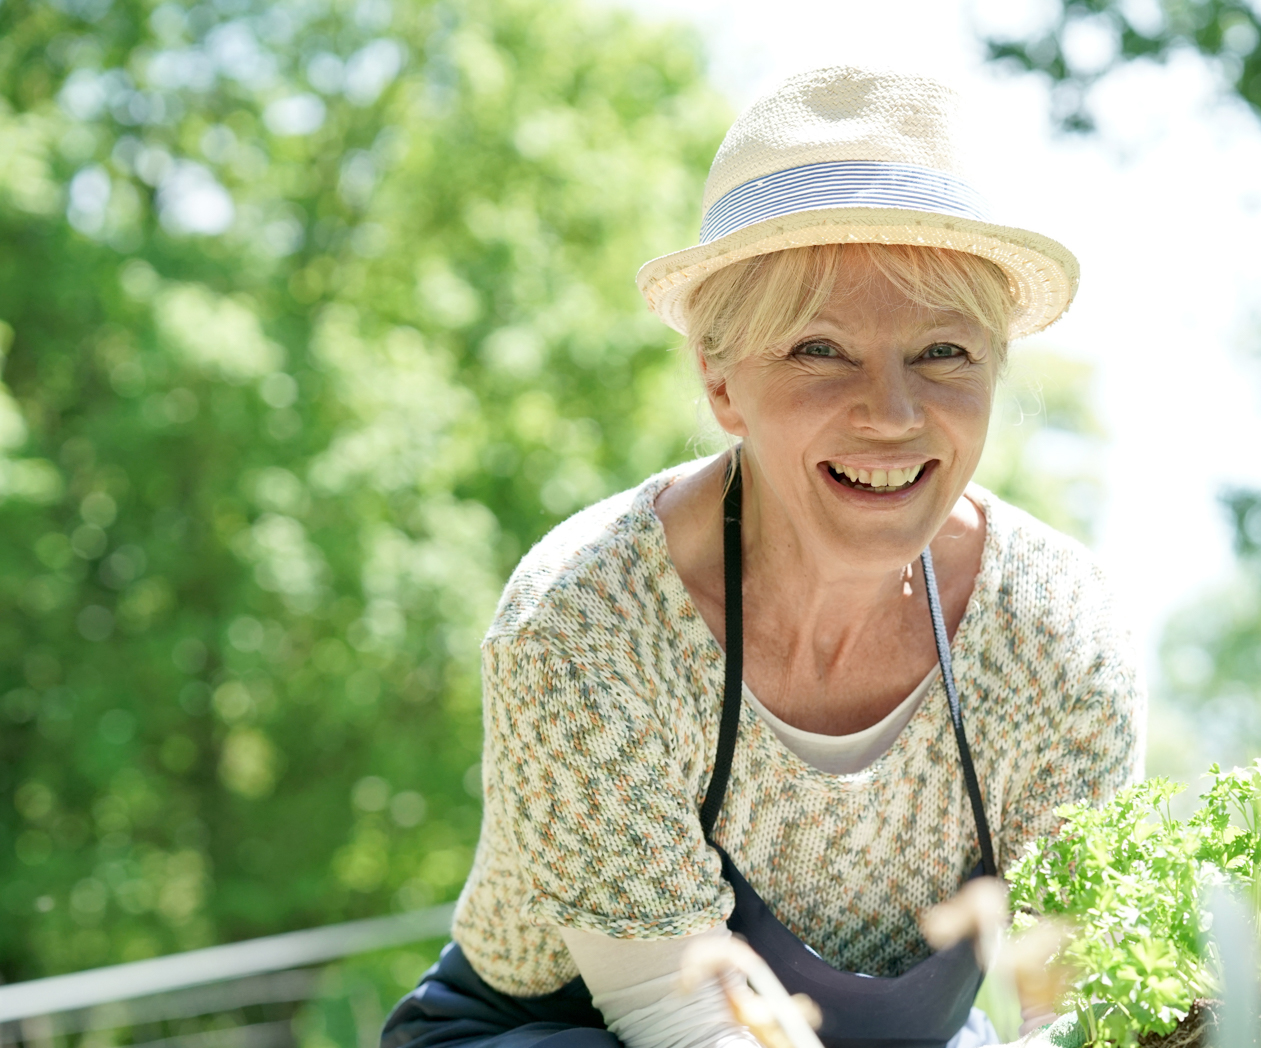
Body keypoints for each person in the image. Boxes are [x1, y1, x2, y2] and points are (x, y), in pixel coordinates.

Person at [380, 66, 1145, 1048]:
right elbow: (679, 1011)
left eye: (943, 352)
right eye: (818, 349)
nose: (893, 413)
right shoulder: (585, 617)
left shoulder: (1058, 631)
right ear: (721, 382)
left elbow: (1076, 989)